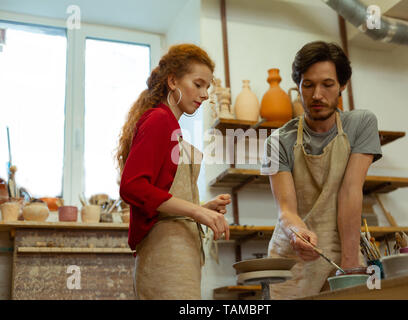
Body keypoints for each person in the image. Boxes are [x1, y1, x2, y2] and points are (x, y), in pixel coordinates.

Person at [261, 41, 382, 299]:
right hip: (291, 259)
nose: (317, 95)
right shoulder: (276, 141)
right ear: (298, 87)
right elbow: (286, 210)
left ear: (342, 86)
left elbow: (350, 191)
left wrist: (350, 263)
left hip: (342, 252)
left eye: (327, 84)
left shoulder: (361, 124)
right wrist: (296, 233)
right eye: (308, 85)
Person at [117, 44, 231, 300]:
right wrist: (196, 211)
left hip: (179, 250)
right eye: (198, 84)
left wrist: (202, 206)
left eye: (208, 88)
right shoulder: (158, 119)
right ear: (172, 81)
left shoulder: (170, 125)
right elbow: (132, 186)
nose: (204, 94)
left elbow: (162, 195)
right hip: (166, 253)